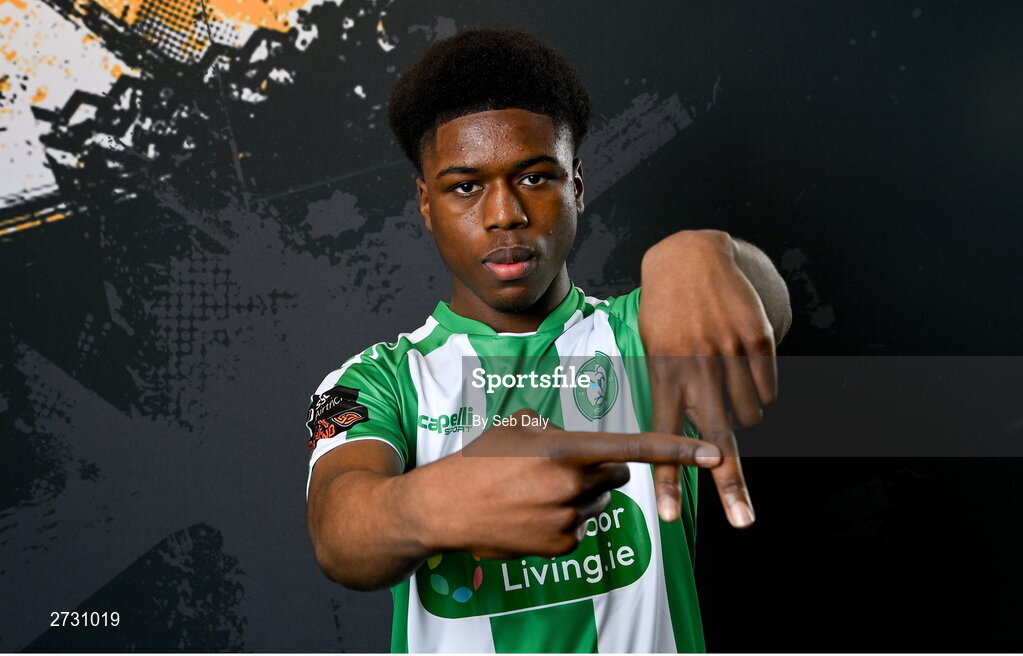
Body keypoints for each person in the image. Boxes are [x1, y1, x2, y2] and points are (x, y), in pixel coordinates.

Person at [305, 28, 791, 653]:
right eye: (465, 186)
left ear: (577, 185)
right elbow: (339, 535)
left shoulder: (644, 337)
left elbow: (768, 311)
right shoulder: (378, 380)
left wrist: (706, 255)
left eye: (534, 178)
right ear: (426, 204)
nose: (504, 212)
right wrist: (436, 499)